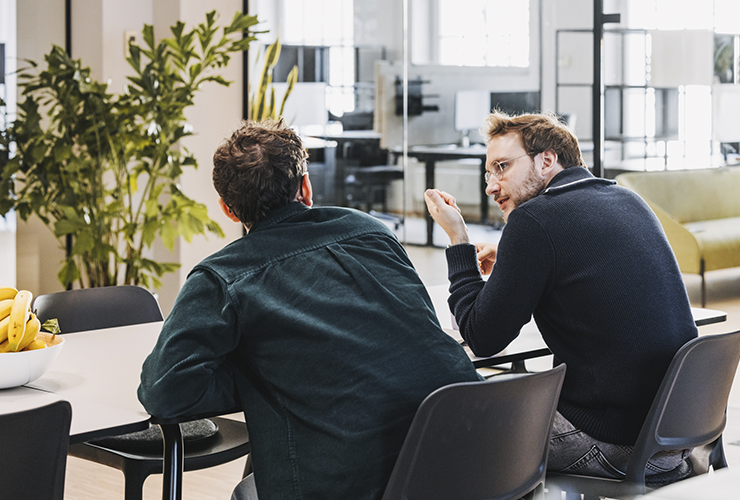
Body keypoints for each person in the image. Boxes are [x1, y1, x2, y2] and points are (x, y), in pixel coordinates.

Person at [138, 119, 480, 500]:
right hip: (476, 460)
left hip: (356, 483)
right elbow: (416, 334)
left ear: (228, 210)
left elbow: (164, 392)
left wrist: (259, 375)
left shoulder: (222, 277)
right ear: (306, 187)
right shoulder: (373, 233)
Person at [424, 111, 698, 479]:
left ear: (547, 160)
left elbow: (482, 338)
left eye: (502, 167)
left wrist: (459, 241)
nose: (491, 186)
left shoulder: (534, 221)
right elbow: (592, 265)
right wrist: (515, 259)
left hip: (613, 442)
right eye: (488, 173)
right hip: (676, 429)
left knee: (446, 428)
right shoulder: (627, 200)